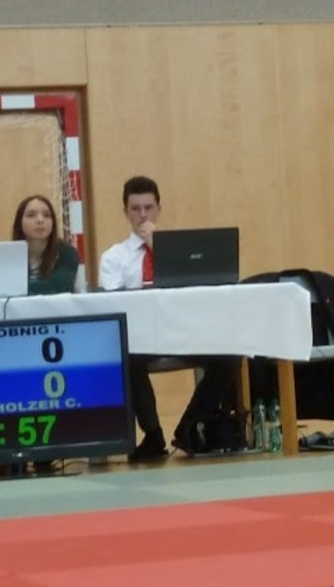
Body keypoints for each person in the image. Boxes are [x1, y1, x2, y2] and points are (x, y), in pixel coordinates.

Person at [96, 175, 238, 460]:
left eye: (148, 207)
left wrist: (159, 248)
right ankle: (153, 434)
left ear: (158, 209)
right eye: (135, 209)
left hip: (180, 329)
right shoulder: (114, 258)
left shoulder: (182, 253)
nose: (143, 215)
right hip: (140, 335)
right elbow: (114, 303)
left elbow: (193, 293)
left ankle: (189, 426)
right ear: (125, 213)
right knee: (128, 355)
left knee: (230, 355)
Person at [12, 194, 83, 295]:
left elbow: (58, 287)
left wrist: (15, 289)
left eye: (46, 215)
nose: (40, 220)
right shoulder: (9, 255)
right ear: (19, 222)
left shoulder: (67, 253)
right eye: (31, 215)